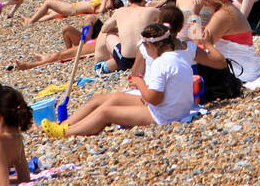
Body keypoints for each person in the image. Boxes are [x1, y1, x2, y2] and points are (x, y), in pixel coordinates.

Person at [42, 22, 195, 138]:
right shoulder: (178, 59)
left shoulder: (161, 63)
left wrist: (139, 83)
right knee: (105, 98)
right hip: (176, 108)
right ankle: (63, 125)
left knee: (106, 112)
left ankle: (66, 133)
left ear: (150, 45)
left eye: (145, 48)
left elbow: (154, 99)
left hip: (165, 115)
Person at [196, 0, 260, 81]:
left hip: (241, 71)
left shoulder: (223, 14)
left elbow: (202, 44)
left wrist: (192, 15)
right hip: (247, 66)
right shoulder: (224, 6)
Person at [96, 0, 158, 73]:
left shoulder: (120, 11)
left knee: (109, 35)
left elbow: (104, 29)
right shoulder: (153, 11)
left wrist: (118, 28)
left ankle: (106, 63)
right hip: (147, 57)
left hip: (126, 61)